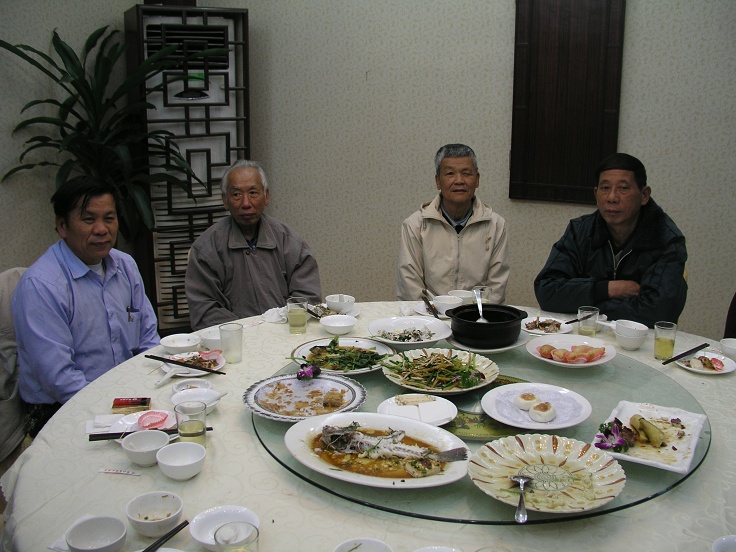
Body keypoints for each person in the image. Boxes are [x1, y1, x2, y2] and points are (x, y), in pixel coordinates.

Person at [12, 176, 160, 434]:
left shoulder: (125, 266)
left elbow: (148, 340)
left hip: (125, 396)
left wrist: (152, 387)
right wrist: (118, 412)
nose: (102, 229)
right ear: (62, 226)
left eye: (109, 218)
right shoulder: (42, 285)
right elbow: (60, 380)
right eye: (89, 220)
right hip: (62, 408)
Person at [534, 153, 687, 327]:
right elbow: (546, 291)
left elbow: (660, 311)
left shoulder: (666, 239)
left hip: (640, 340)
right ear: (596, 193)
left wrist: (589, 305)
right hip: (585, 335)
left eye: (623, 188)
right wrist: (608, 289)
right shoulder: (581, 230)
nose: (612, 198)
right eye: (605, 188)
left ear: (644, 195)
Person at [185, 160, 322, 330]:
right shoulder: (206, 248)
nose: (246, 203)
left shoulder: (289, 241)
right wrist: (247, 330)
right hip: (232, 339)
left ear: (266, 197)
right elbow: (204, 309)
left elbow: (307, 297)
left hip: (285, 333)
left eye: (253, 193)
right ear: (225, 200)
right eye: (236, 194)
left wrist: (277, 326)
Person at [396, 143, 510, 303]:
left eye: (466, 173)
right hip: (428, 314)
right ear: (438, 181)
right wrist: (434, 314)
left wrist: (472, 315)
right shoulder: (415, 225)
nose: (459, 181)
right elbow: (410, 287)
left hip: (476, 315)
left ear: (477, 180)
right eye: (450, 173)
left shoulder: (496, 225)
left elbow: (496, 288)